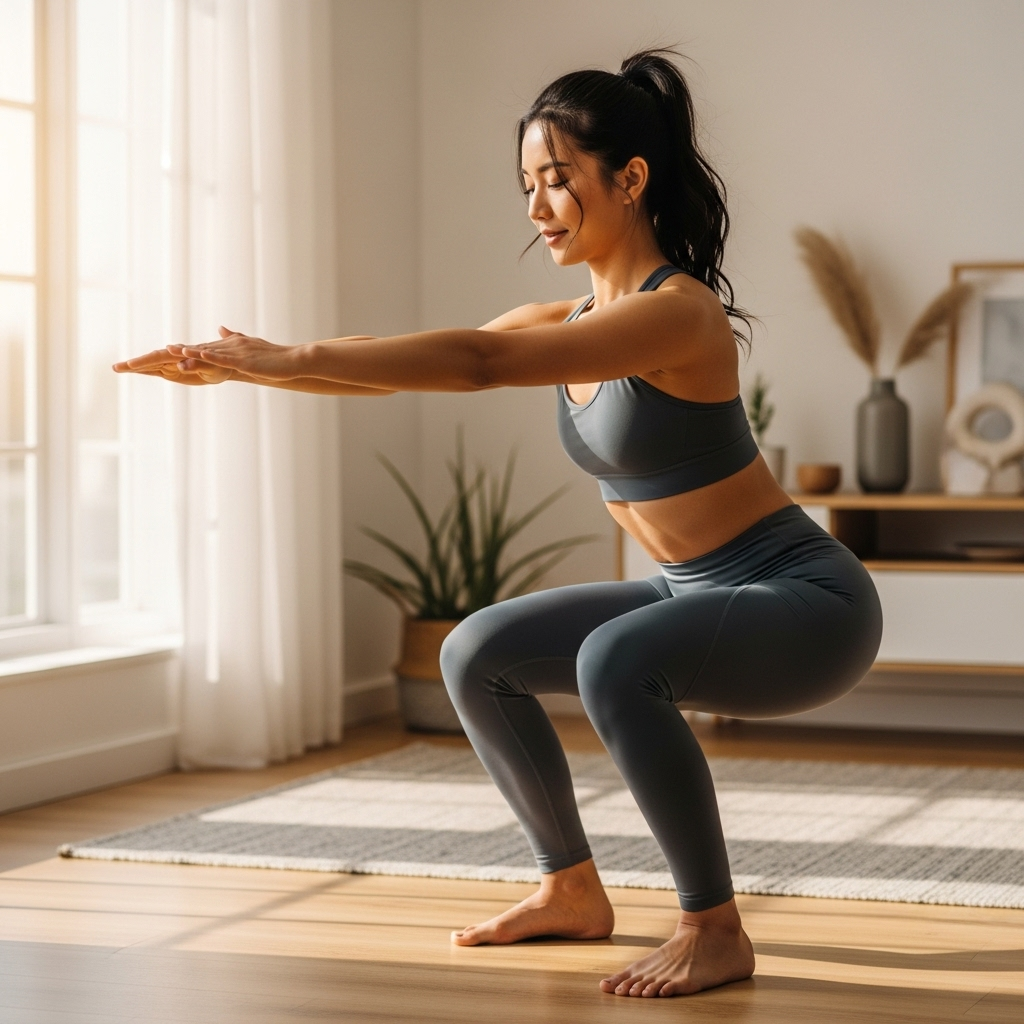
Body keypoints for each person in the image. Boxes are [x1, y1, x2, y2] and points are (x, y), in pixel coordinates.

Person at [116, 49, 882, 998]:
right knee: (474, 649)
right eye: (527, 184)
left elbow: (477, 364)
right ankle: (570, 890)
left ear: (630, 178)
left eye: (557, 180)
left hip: (802, 600)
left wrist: (282, 357)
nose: (536, 207)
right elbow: (387, 362)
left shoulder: (677, 314)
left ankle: (713, 928)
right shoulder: (561, 316)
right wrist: (243, 362)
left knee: (613, 659)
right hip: (694, 592)